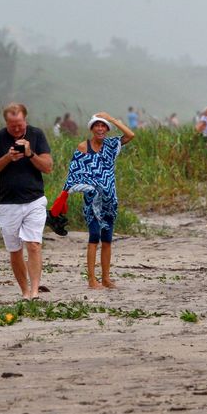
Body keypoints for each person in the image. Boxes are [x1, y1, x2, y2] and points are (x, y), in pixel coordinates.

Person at [48, 113, 135, 289]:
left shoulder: (111, 145)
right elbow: (74, 173)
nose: (101, 129)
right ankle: (91, 280)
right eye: (97, 126)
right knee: (94, 237)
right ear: (92, 128)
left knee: (108, 239)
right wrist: (65, 193)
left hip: (109, 199)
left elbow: (130, 135)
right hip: (91, 200)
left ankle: (106, 278)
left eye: (104, 126)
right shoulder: (83, 147)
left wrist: (112, 119)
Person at [0, 103, 53, 301]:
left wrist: (30, 153)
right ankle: (24, 291)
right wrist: (7, 157)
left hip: (34, 200)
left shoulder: (37, 134)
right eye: (12, 125)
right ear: (6, 122)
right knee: (15, 250)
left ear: (26, 120)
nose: (16, 129)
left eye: (20, 125)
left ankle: (34, 290)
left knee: (33, 244)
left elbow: (48, 167)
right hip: (8, 203)